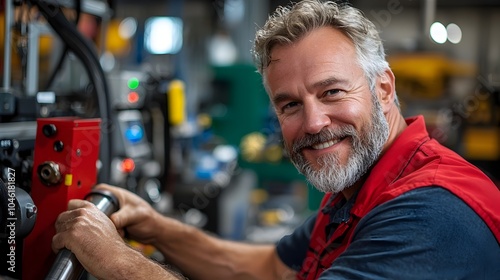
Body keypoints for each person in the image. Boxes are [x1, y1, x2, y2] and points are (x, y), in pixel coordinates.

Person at [52, 1, 500, 279]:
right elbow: (269, 269)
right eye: (289, 105)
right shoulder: (358, 186)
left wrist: (115, 262)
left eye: (332, 93)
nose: (314, 123)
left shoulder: (432, 211)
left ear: (383, 88)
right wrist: (154, 225)